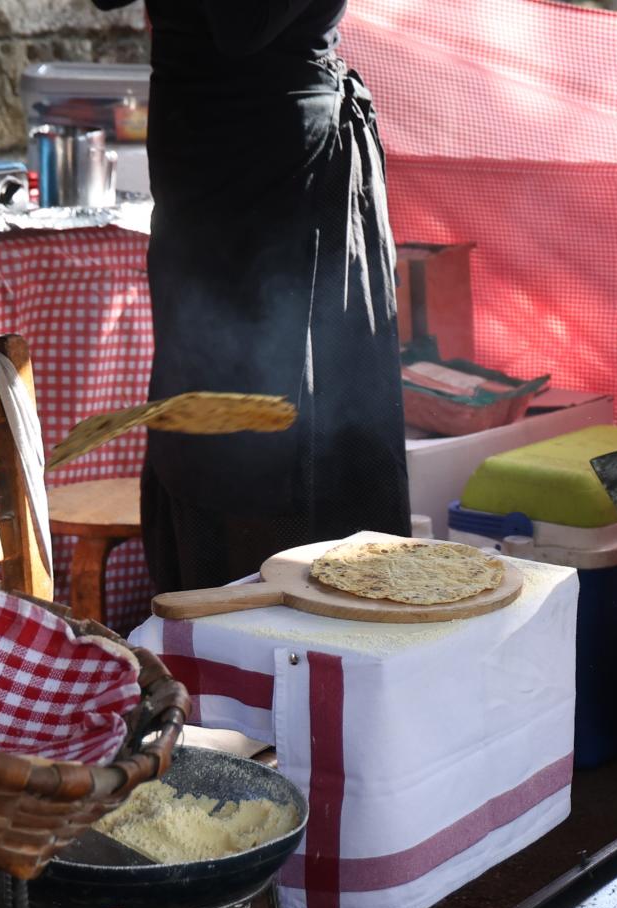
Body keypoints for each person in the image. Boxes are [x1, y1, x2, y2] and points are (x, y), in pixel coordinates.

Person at [89, 0, 411, 591]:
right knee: (206, 408)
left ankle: (312, 625)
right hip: (200, 163)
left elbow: (247, 24)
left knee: (292, 414)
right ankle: (206, 623)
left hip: (286, 174)